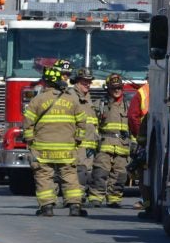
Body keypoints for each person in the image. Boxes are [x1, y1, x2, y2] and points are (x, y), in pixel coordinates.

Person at [23, 62, 88, 217]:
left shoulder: (37, 100)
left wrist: (30, 141)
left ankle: (47, 208)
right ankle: (75, 206)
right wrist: (78, 138)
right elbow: (82, 120)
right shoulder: (71, 99)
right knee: (69, 175)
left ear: (46, 82)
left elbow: (28, 123)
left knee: (43, 175)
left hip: (43, 148)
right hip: (66, 147)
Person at [87, 74, 130, 208]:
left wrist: (134, 144)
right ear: (108, 89)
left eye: (118, 88)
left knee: (120, 175)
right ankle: (96, 198)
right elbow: (92, 125)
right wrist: (92, 143)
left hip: (123, 146)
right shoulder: (100, 105)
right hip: (105, 144)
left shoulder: (128, 105)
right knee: (100, 173)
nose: (116, 91)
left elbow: (134, 126)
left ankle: (114, 199)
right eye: (113, 88)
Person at [69, 67, 99, 190]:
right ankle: (75, 200)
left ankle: (79, 198)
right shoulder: (71, 96)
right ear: (76, 81)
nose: (88, 84)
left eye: (89, 81)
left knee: (86, 172)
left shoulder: (87, 97)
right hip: (78, 144)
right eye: (84, 82)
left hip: (89, 144)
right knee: (79, 172)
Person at [128, 81, 151, 217]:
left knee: (144, 173)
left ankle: (148, 205)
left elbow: (132, 116)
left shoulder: (143, 91)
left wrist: (139, 135)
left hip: (145, 139)